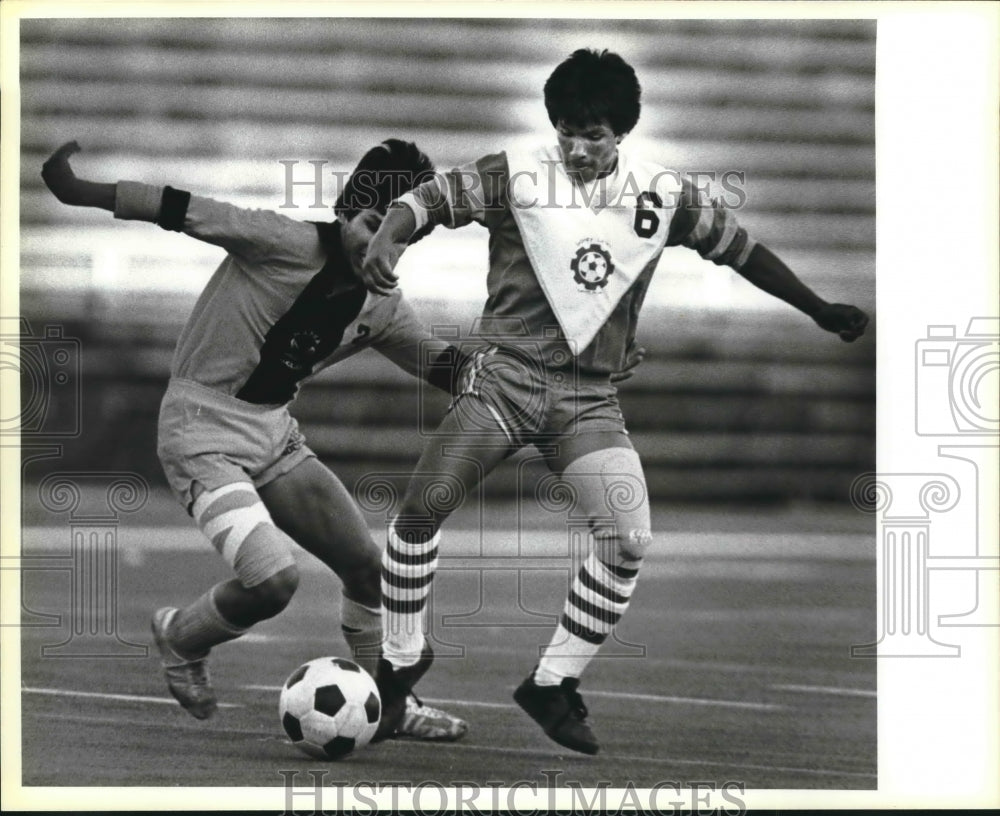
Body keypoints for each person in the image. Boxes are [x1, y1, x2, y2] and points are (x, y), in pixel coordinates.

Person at [360, 48, 870, 755]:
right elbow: (430, 199)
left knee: (630, 538)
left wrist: (816, 307)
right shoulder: (514, 172)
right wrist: (390, 236)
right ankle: (400, 661)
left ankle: (552, 683)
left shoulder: (663, 196)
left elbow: (742, 250)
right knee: (420, 509)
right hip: (507, 380)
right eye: (566, 129)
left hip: (587, 400)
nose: (576, 146)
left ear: (623, 131)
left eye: (593, 133)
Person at [40, 137, 472, 742]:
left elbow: (452, 371)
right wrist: (77, 191)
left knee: (368, 572)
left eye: (398, 237)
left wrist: (550, 379)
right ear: (348, 209)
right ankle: (183, 637)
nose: (382, 246)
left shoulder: (383, 306)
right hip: (199, 431)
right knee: (274, 581)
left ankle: (390, 705)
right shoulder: (280, 241)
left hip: (274, 435)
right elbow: (185, 208)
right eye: (374, 225)